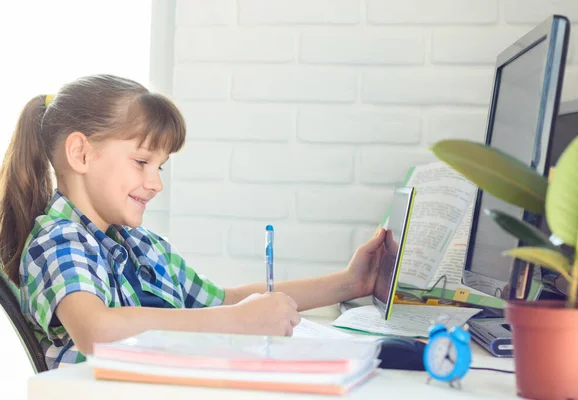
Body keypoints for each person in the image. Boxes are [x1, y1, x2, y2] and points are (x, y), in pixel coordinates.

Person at [0, 74, 389, 370]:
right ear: (81, 154)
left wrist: (350, 283)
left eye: (161, 167)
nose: (156, 184)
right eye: (142, 162)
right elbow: (95, 329)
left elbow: (225, 300)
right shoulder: (57, 241)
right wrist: (236, 321)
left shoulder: (144, 247)